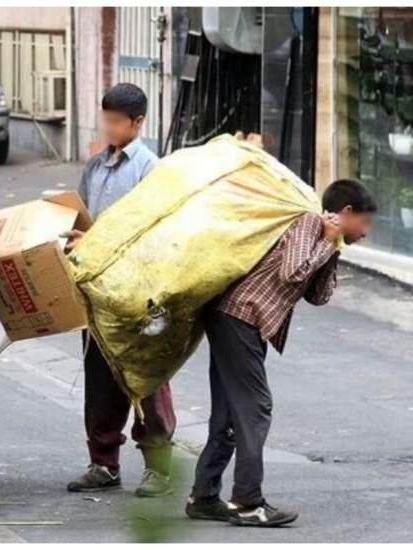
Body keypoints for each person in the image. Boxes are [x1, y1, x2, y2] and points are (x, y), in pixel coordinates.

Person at [186, 179, 377, 527]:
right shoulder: (307, 221)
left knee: (230, 411)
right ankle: (247, 502)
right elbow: (292, 273)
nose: (365, 233)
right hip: (239, 315)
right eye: (363, 223)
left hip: (243, 320)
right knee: (255, 408)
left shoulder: (325, 237)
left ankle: (203, 497)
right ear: (346, 212)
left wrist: (331, 247)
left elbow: (317, 296)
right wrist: (326, 240)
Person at [63, 83, 178, 497]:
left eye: (116, 121)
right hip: (96, 290)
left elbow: (150, 231)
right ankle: (103, 462)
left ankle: (159, 467)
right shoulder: (95, 168)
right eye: (105, 119)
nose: (108, 128)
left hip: (139, 291)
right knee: (100, 380)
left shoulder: (151, 169)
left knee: (146, 378)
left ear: (138, 122)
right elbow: (86, 219)